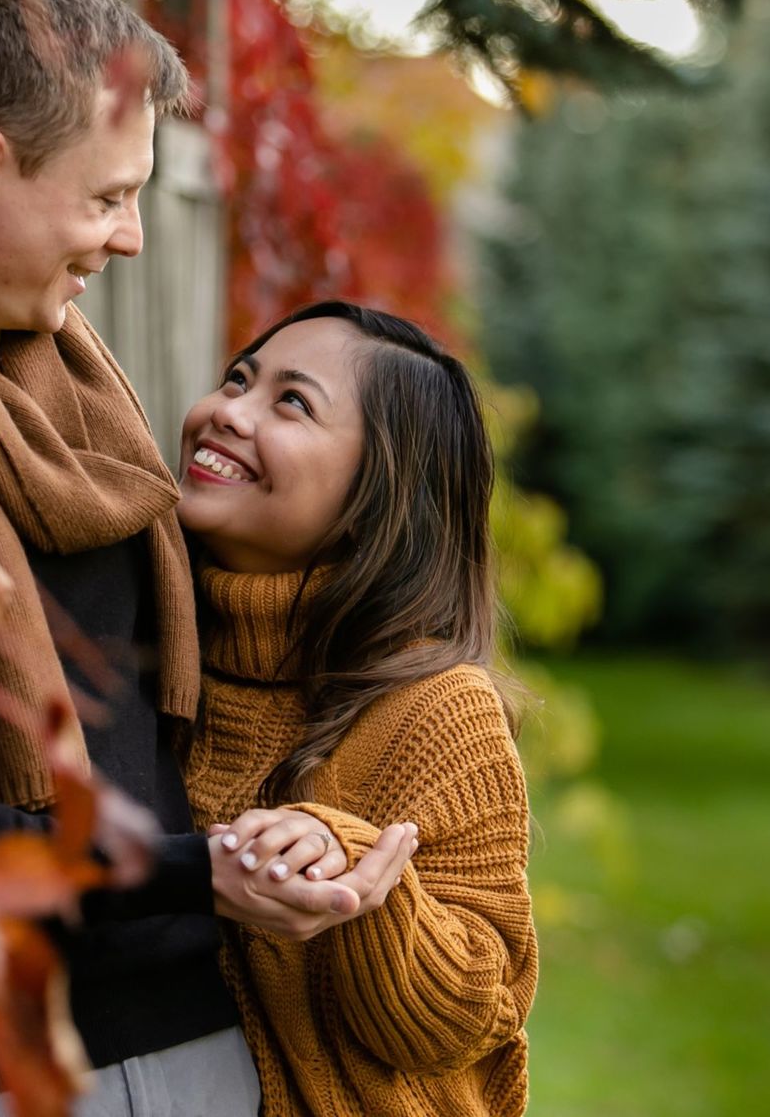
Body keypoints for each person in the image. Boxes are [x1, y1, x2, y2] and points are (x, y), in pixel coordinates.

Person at [0, 0, 415, 1113]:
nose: (131, 239)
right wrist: (199, 869)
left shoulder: (78, 393)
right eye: (108, 197)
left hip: (191, 1030)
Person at [177, 301, 539, 1117]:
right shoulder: (157, 645)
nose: (228, 411)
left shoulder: (438, 709)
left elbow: (475, 1012)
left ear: (380, 491)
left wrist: (360, 873)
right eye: (239, 377)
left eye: (291, 402)